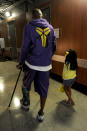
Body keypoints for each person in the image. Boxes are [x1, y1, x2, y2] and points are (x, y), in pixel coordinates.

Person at [17, 8, 56, 122]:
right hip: (46, 65)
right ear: (42, 16)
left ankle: (26, 103)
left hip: (31, 64)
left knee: (25, 84)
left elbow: (25, 47)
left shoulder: (29, 27)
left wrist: (20, 62)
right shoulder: (51, 28)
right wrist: (47, 57)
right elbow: (54, 47)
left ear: (32, 16)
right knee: (44, 89)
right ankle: (41, 113)